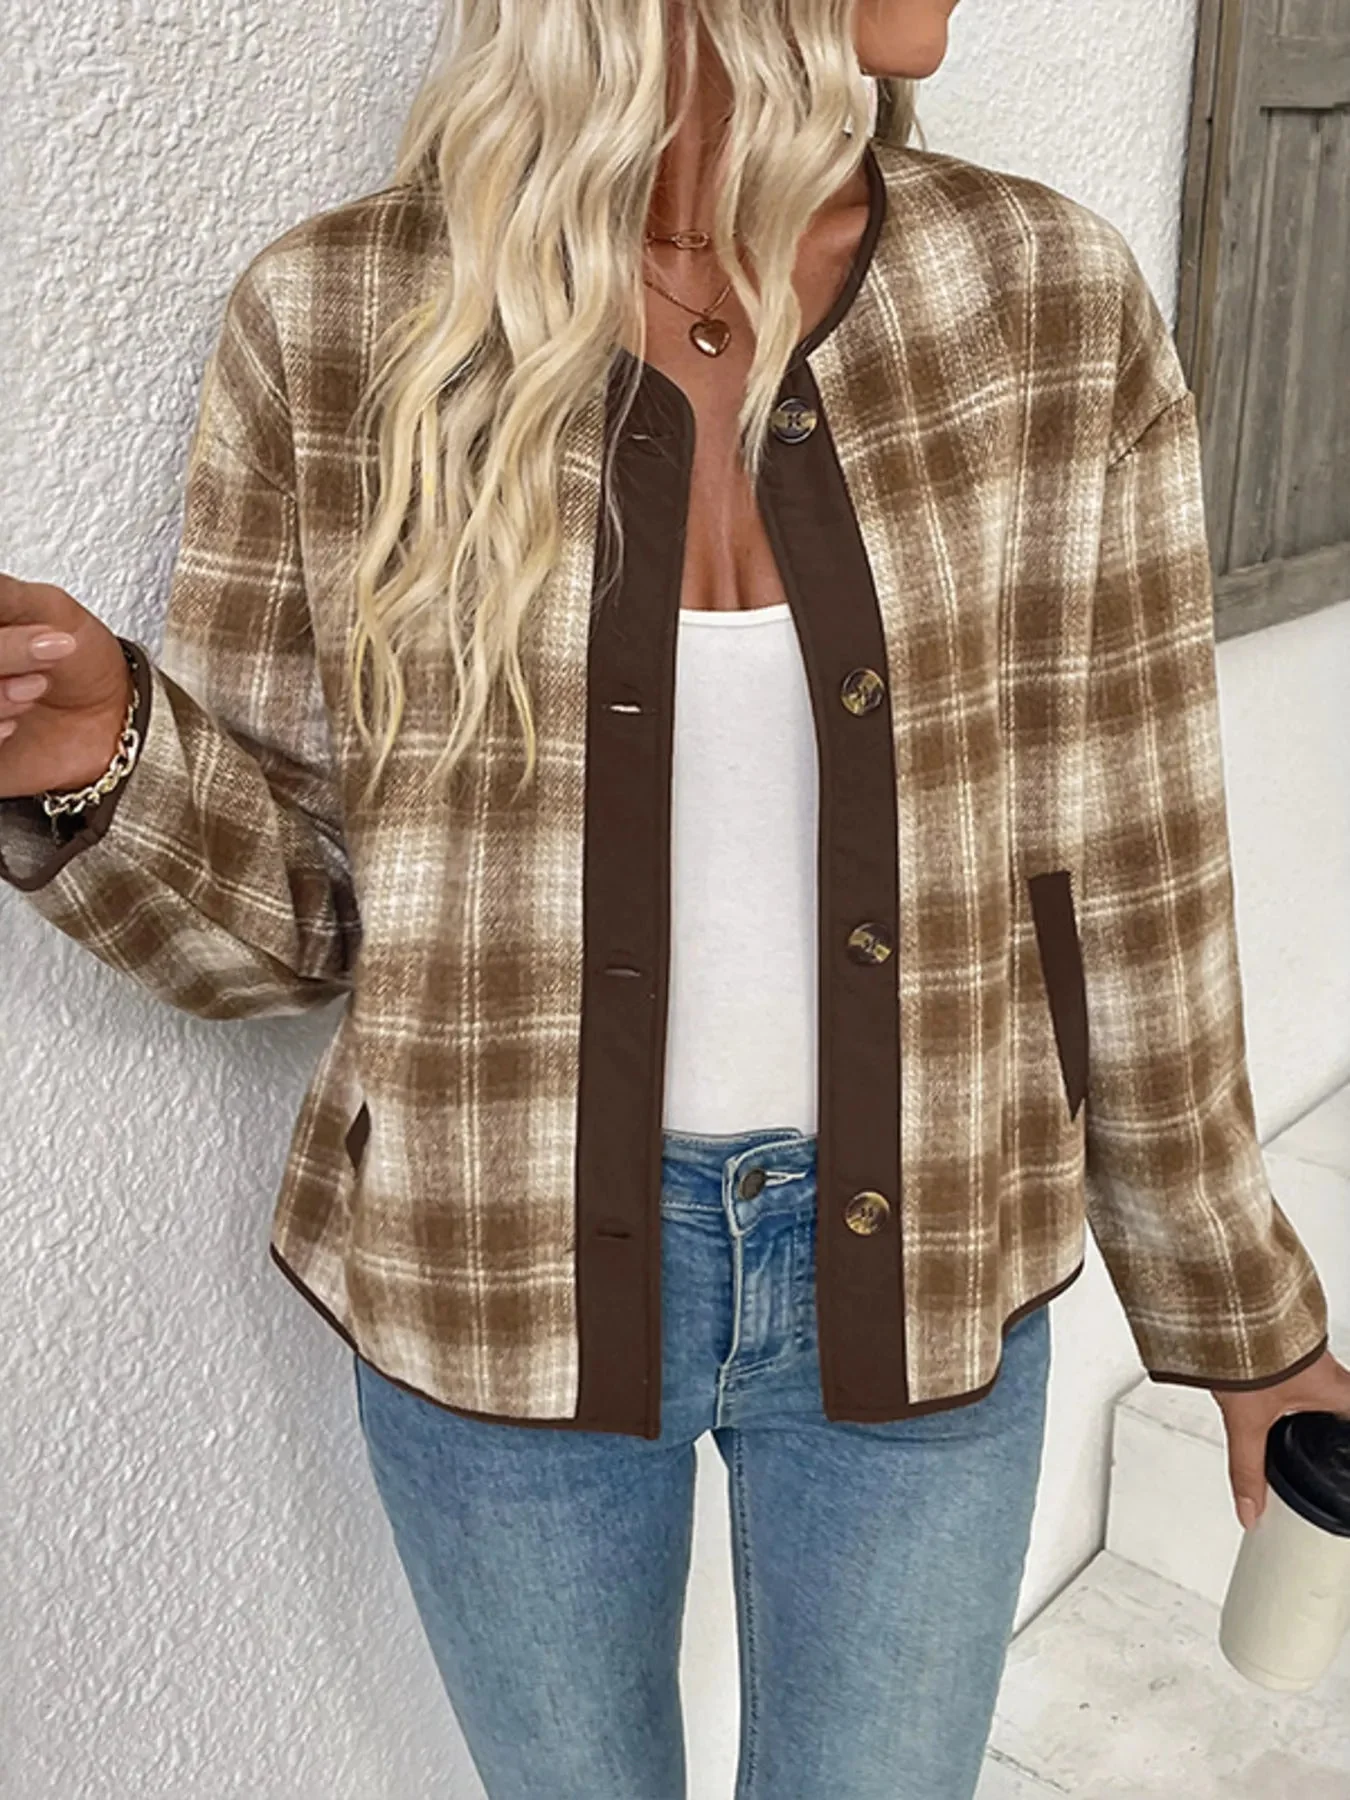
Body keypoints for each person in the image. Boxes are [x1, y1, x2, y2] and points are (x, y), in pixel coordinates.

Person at [2, 2, 1348, 1795]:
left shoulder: (1040, 302)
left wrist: (1245, 1317)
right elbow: (305, 923)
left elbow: (1133, 864)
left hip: (929, 1258)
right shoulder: (335, 322)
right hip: (491, 1266)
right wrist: (100, 755)